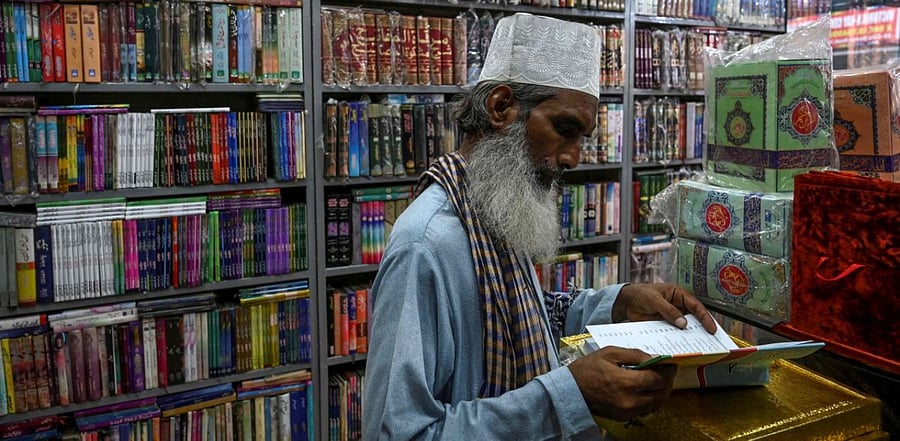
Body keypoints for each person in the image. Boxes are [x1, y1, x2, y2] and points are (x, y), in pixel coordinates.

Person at [363, 13, 718, 440]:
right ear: (500, 108)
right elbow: (399, 433)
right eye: (563, 129)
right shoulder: (425, 247)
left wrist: (620, 303)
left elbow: (528, 318)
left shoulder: (489, 209)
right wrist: (567, 398)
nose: (572, 159)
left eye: (581, 138)